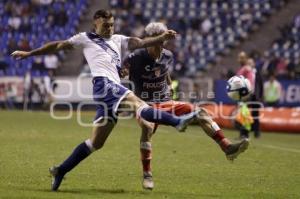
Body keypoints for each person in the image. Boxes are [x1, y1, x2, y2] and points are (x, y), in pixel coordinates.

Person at [11, 9, 199, 191]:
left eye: (112, 25)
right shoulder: (84, 38)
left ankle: (61, 170)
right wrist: (29, 54)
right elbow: (57, 46)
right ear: (95, 24)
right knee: (138, 104)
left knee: (96, 142)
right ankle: (177, 122)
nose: (110, 28)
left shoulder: (119, 40)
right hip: (104, 84)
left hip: (109, 90)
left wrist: (161, 38)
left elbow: (141, 43)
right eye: (106, 25)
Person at [122, 22, 250, 190]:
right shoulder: (136, 56)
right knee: (147, 128)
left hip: (166, 101)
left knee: (201, 112)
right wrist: (122, 75)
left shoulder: (167, 55)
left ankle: (227, 147)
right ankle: (147, 174)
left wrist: (168, 85)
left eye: (164, 41)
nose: (163, 44)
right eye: (160, 40)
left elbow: (164, 70)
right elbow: (121, 71)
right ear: (151, 39)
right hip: (145, 105)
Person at [237, 53, 261, 138]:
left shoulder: (254, 72)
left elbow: (259, 85)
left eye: (251, 62)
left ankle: (255, 132)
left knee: (254, 114)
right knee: (245, 113)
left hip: (254, 95)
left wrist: (260, 96)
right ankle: (244, 133)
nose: (250, 64)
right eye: (249, 62)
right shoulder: (246, 70)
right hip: (247, 95)